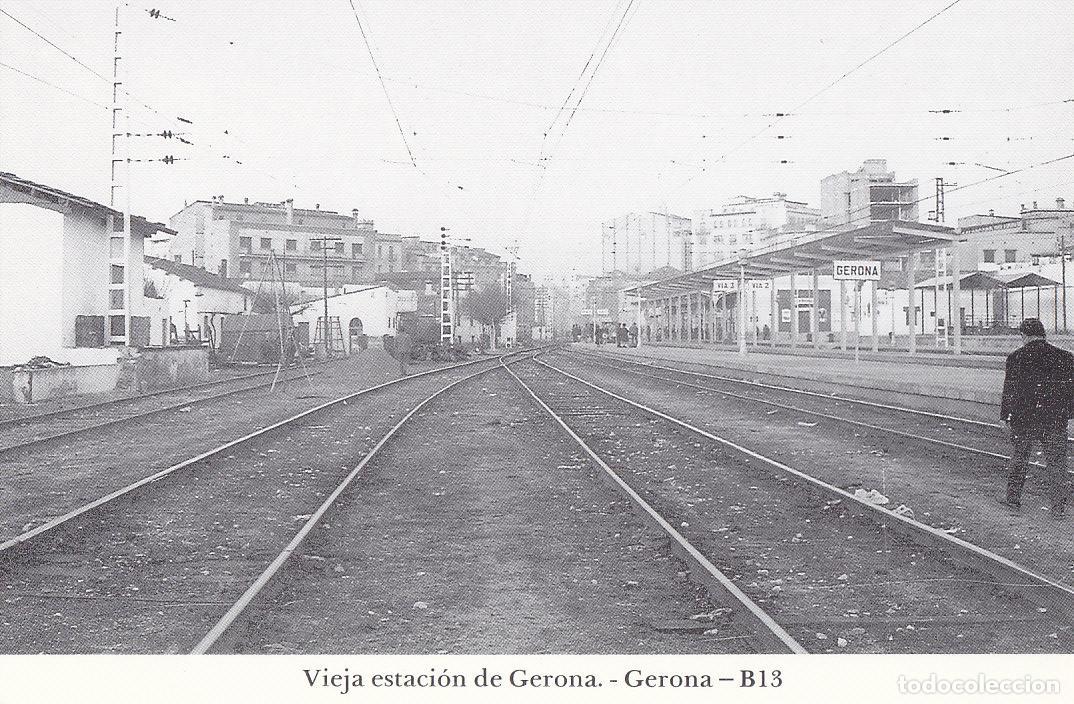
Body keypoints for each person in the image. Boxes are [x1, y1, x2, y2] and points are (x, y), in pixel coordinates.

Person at [998, 318, 1074, 517]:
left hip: (1025, 419)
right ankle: (1058, 509)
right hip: (1055, 419)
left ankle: (1013, 499)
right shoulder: (1065, 357)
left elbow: (1009, 391)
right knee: (1057, 465)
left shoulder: (1015, 357)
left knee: (1019, 459)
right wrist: (1069, 414)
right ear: (1043, 334)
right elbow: (1071, 390)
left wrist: (1004, 416)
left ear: (1023, 335)